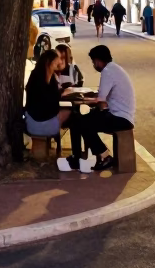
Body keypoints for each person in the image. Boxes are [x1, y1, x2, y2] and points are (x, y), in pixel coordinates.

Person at [57, 45, 135, 173]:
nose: (94, 65)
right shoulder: (114, 69)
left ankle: (104, 156)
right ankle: (77, 157)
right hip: (118, 114)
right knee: (78, 120)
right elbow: (102, 96)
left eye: (93, 62)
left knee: (81, 122)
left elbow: (100, 99)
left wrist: (85, 99)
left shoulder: (107, 71)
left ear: (98, 60)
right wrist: (89, 98)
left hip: (120, 118)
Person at [24, 48, 72, 151]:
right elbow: (51, 98)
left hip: (31, 123)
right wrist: (63, 92)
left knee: (71, 115)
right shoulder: (41, 79)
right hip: (41, 125)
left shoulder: (37, 75)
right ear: (49, 62)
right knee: (73, 115)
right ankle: (74, 153)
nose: (58, 63)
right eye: (56, 61)